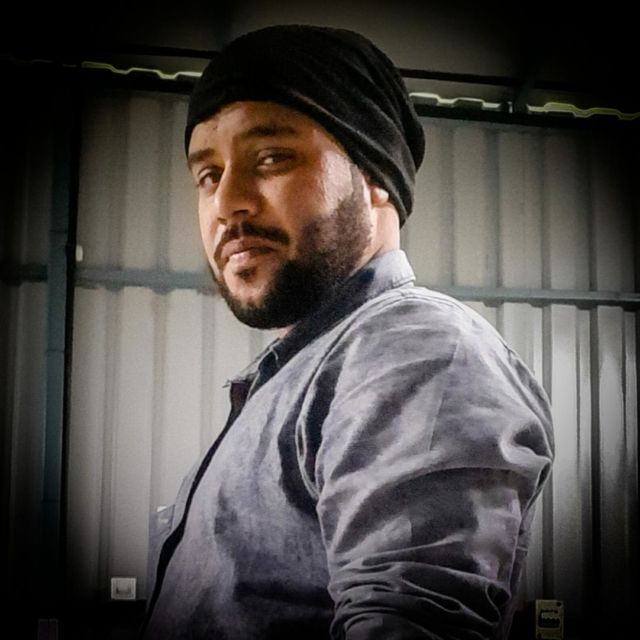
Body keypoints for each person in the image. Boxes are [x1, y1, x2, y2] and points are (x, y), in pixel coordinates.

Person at [141, 24, 554, 640]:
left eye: (271, 158)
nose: (227, 203)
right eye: (208, 175)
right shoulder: (289, 378)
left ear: (375, 176)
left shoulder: (416, 350)